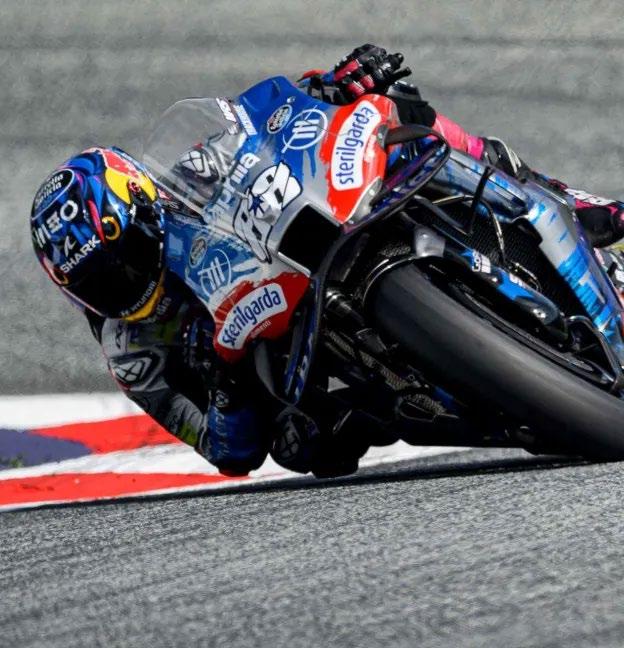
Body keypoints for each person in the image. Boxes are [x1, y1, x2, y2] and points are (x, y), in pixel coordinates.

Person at [30, 45, 624, 479]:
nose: (124, 283)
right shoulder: (131, 351)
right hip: (292, 374)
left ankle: (569, 201)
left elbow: (267, 121)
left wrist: (338, 83)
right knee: (306, 446)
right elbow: (224, 451)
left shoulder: (188, 174)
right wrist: (226, 383)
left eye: (125, 259)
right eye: (100, 284)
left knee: (402, 116)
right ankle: (487, 393)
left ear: (144, 202)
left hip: (308, 242)